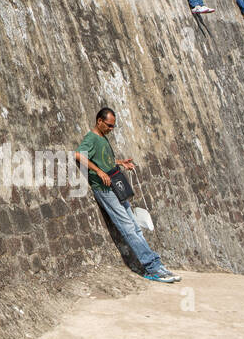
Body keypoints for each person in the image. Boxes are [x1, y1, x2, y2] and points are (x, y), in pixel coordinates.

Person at [76, 108, 181, 283]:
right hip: (104, 190)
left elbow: (104, 159)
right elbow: (79, 154)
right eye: (109, 125)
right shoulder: (91, 138)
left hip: (116, 186)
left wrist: (120, 163)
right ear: (99, 121)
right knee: (128, 228)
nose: (111, 128)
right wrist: (99, 172)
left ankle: (156, 264)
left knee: (135, 226)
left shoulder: (102, 139)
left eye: (113, 126)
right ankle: (152, 268)